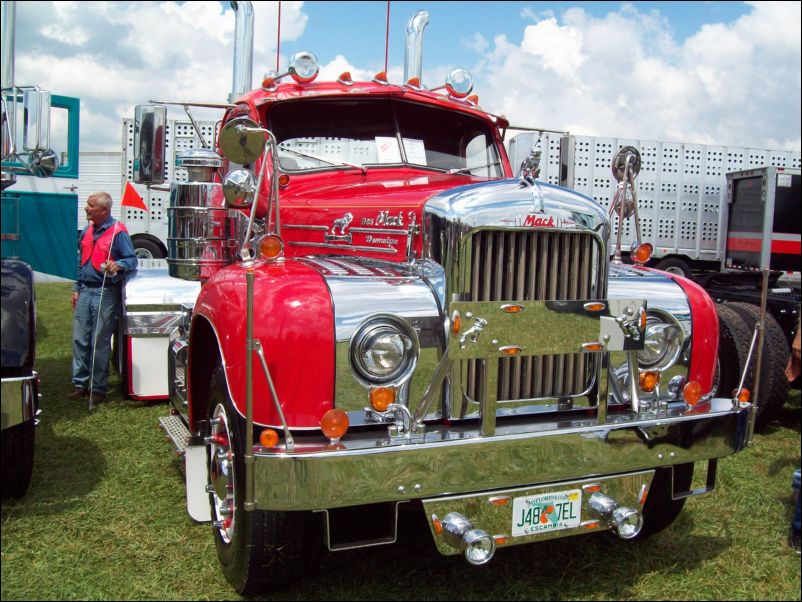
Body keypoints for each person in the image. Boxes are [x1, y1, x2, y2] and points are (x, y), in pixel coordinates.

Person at [69, 192, 137, 405]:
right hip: (86, 289)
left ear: (104, 210)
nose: (86, 209)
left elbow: (132, 259)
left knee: (99, 340)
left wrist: (118, 265)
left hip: (105, 291)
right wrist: (76, 287)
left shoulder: (118, 232)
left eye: (90, 206)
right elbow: (80, 261)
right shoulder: (87, 231)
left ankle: (98, 387)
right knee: (80, 339)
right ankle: (80, 383)